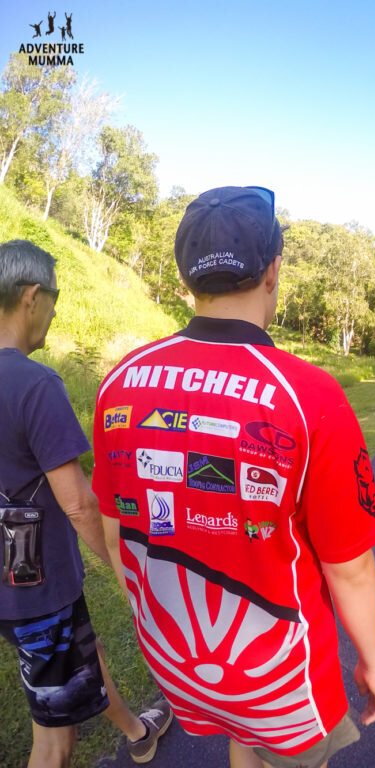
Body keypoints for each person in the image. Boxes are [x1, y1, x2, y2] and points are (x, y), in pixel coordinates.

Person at [92, 186, 375, 768]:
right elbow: (350, 568)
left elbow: (114, 536)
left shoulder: (118, 382)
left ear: (187, 279)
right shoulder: (310, 397)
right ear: (274, 269)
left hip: (185, 664)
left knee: (242, 738)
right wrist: (373, 661)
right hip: (280, 677)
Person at [0, 239, 172, 766]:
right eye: (54, 297)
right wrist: (125, 575)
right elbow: (78, 504)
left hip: (12, 589)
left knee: (78, 655)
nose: (55, 310)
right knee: (56, 742)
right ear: (32, 297)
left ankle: (138, 734)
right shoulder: (35, 385)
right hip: (31, 588)